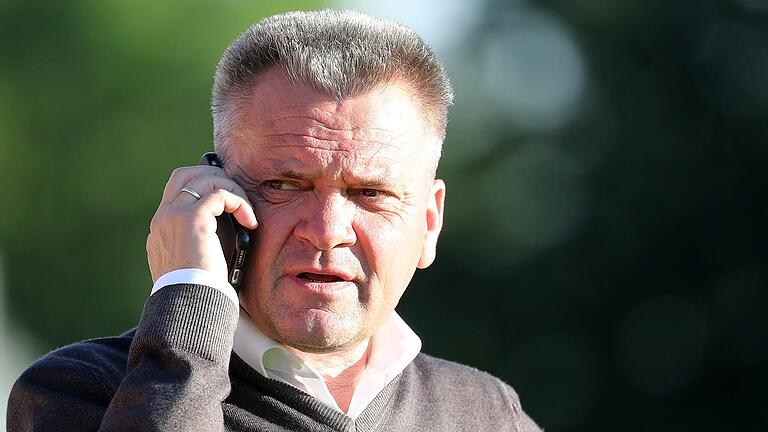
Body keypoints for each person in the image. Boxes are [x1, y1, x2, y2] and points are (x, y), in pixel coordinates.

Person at [7, 10, 541, 431]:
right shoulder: (78, 392)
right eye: (284, 186)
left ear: (429, 222)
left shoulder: (487, 414)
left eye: (371, 192)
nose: (327, 229)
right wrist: (189, 302)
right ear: (211, 197)